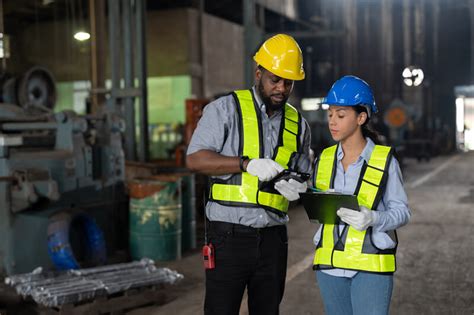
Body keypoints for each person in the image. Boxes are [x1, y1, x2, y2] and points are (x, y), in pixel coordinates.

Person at [186, 34, 312, 315]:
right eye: (274, 80)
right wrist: (245, 164)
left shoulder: (298, 124)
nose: (281, 88)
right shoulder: (225, 110)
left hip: (274, 239)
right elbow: (195, 160)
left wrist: (299, 187)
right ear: (258, 73)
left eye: (288, 82)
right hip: (228, 238)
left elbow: (303, 172)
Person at [311, 75, 411, 315]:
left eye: (341, 115)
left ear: (361, 117)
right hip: (330, 268)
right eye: (330, 114)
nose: (332, 121)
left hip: (371, 268)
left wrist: (374, 219)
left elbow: (402, 212)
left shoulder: (384, 160)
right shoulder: (324, 159)